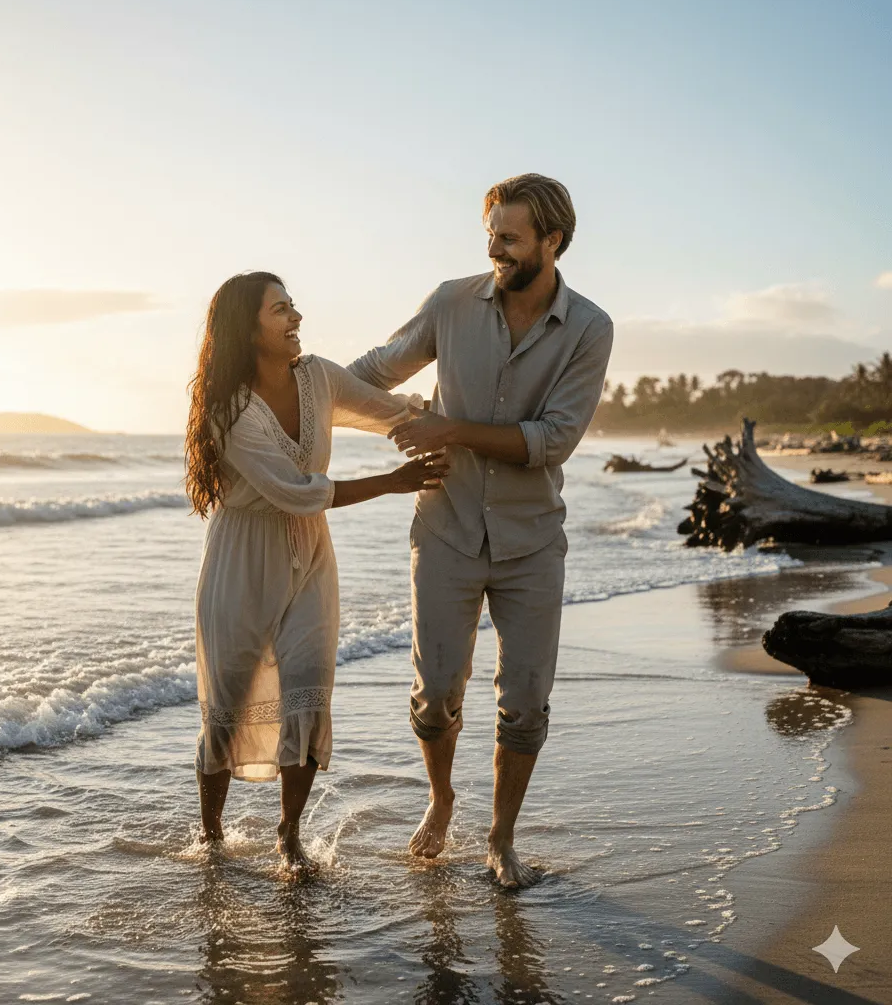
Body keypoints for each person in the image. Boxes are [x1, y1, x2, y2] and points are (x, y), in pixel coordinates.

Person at [347, 174, 613, 887]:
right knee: (435, 693)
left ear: (552, 241)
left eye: (510, 237)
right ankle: (440, 802)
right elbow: (376, 369)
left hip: (532, 542)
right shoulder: (450, 302)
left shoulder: (590, 328)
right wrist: (295, 404)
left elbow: (552, 439)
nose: (495, 249)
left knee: (524, 703)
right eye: (490, 233)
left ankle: (500, 838)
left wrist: (449, 428)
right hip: (445, 528)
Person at [185, 271, 447, 871]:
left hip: (310, 558)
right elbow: (296, 492)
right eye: (280, 310)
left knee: (308, 691)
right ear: (247, 330)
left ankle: (288, 835)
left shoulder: (319, 377)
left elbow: (387, 412)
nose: (295, 317)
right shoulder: (229, 411)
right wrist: (393, 483)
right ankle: (212, 837)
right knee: (226, 701)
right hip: (241, 559)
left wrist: (446, 425)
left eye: (293, 305)